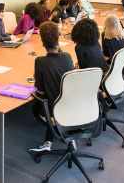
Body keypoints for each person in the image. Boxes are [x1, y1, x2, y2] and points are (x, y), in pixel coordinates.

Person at [29, 21, 74, 154]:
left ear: (42, 43)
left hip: (56, 108)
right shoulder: (67, 56)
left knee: (36, 107)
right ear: (58, 39)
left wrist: (38, 77)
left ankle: (53, 134)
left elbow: (41, 90)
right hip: (74, 104)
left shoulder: (40, 61)